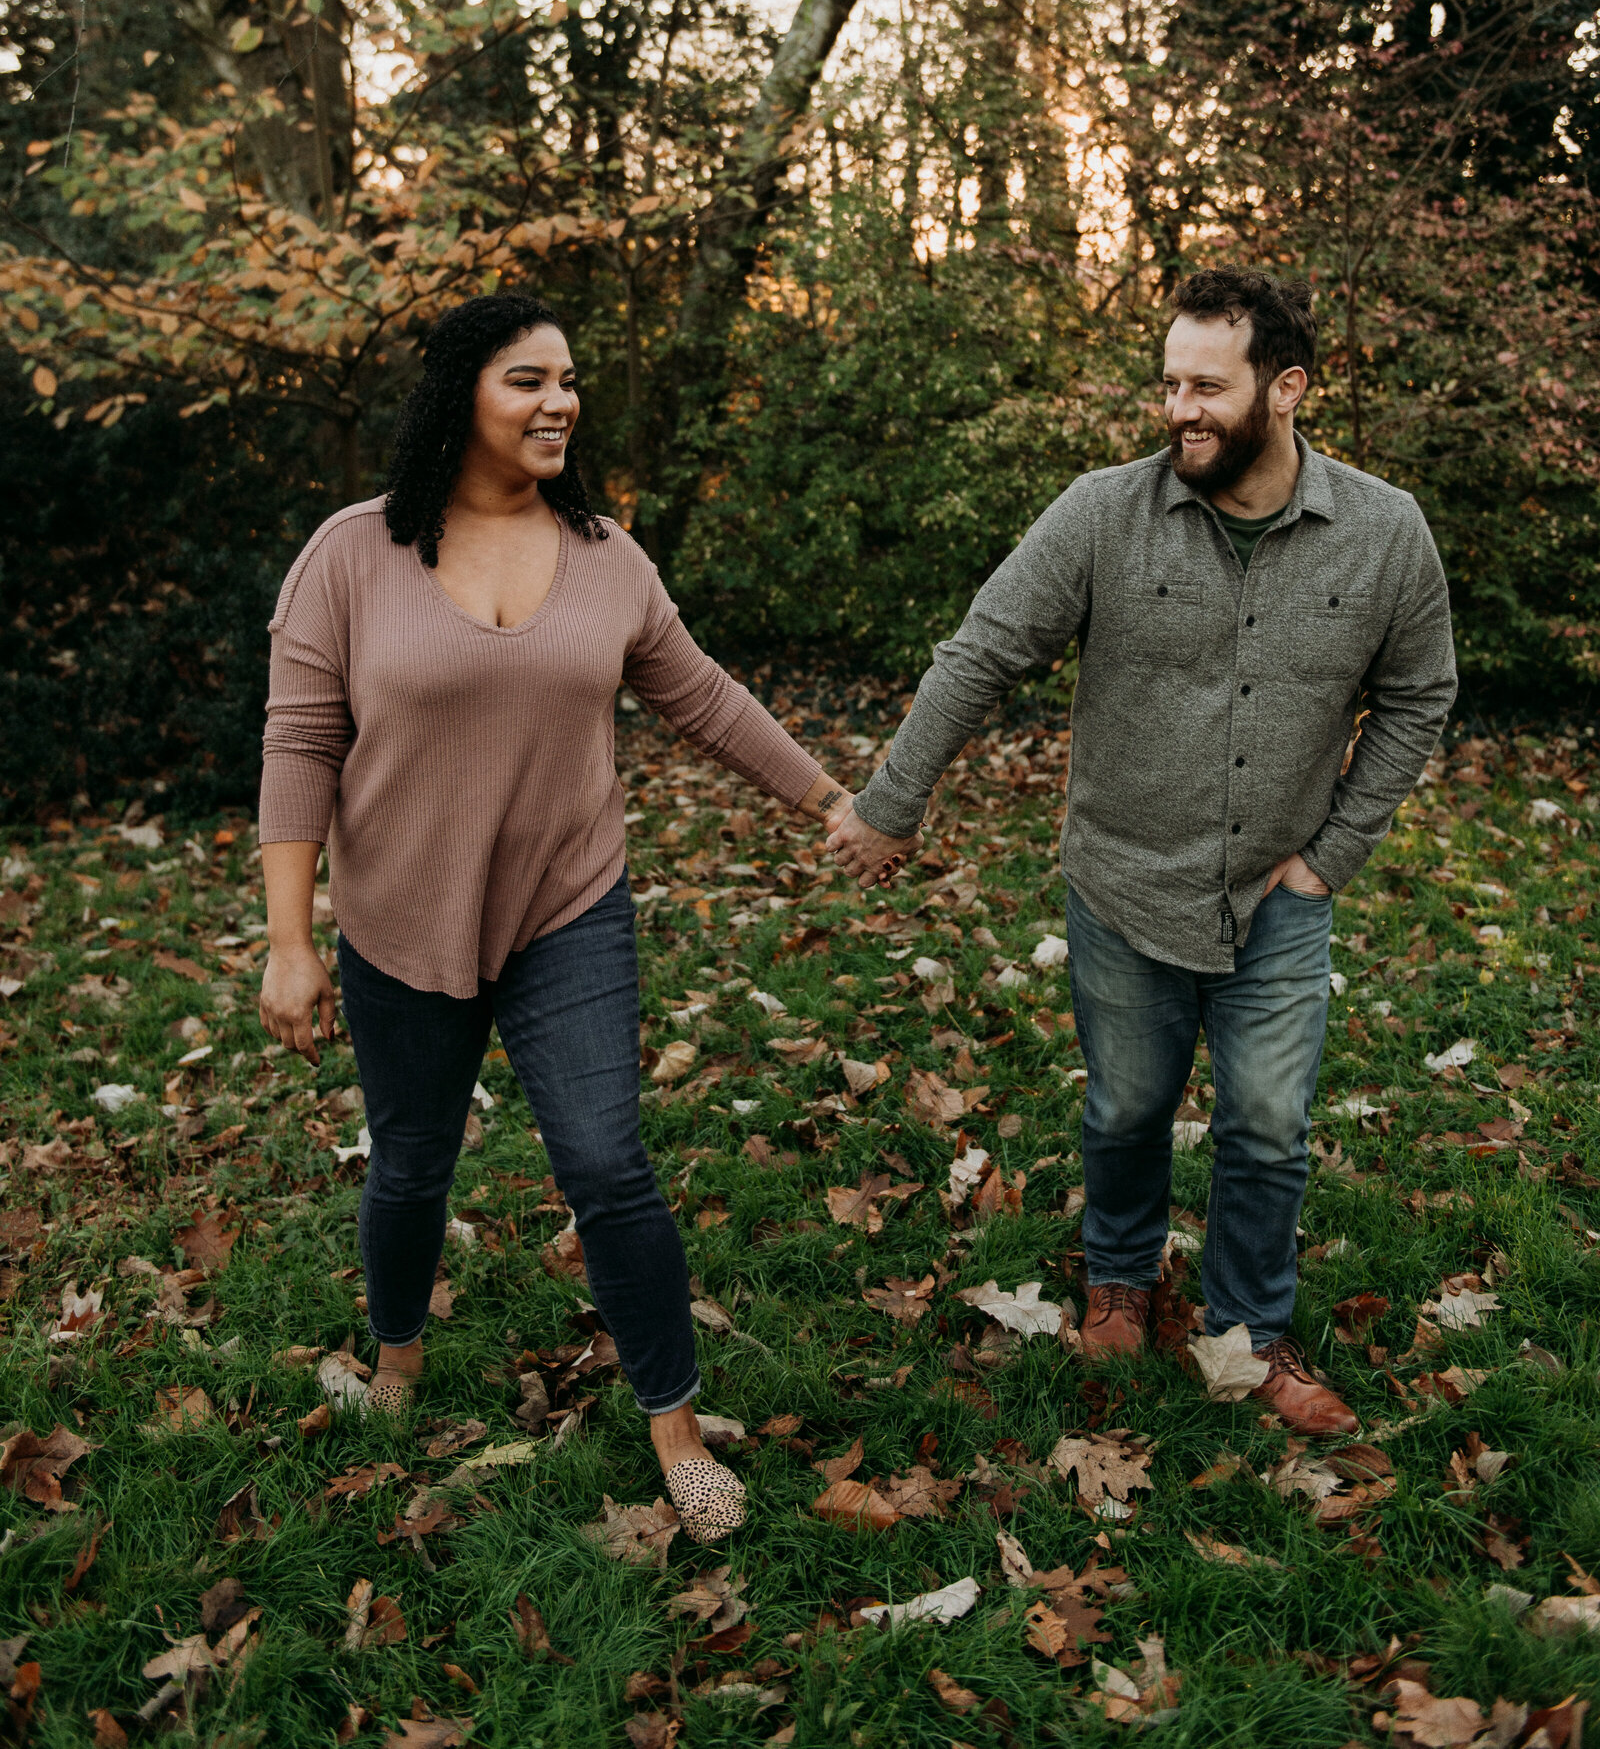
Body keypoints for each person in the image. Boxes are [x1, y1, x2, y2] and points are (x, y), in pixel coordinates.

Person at [256, 291, 865, 1543]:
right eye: (527, 380)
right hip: (401, 917)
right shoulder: (352, 554)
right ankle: (396, 1363)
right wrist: (290, 939)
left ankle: (677, 1430)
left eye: (569, 379)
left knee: (603, 1161)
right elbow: (301, 739)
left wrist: (827, 797)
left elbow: (701, 696)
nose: (560, 403)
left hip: (566, 907)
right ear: (461, 397)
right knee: (412, 1161)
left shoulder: (607, 556)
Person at [827, 267, 1456, 1436]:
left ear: (1287, 388)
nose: (1180, 409)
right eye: (1169, 383)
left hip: (1278, 894)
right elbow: (980, 653)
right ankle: (1121, 1272)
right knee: (1125, 1110)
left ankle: (1249, 1333)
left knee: (1267, 1128)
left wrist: (1332, 856)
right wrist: (892, 801)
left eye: (1207, 386)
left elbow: (1421, 697)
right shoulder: (1102, 513)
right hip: (1123, 882)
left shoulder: (1384, 533)